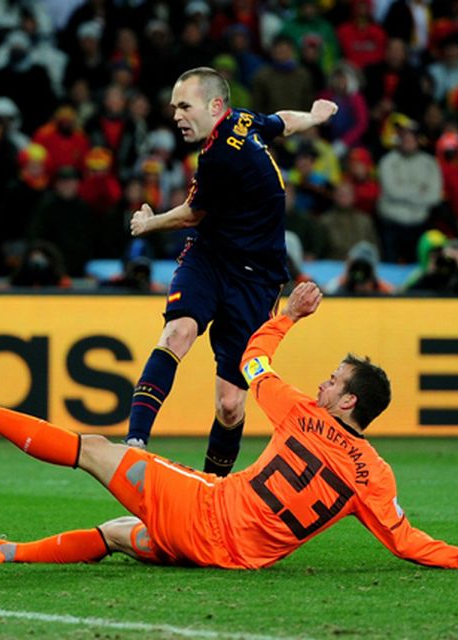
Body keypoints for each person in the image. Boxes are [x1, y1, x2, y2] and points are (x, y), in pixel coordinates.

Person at [0, 282, 458, 571]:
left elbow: (253, 359)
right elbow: (403, 540)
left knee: (93, 448)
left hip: (206, 514)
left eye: (333, 381)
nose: (322, 386)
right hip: (239, 556)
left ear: (348, 400)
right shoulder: (374, 473)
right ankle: (2, 551)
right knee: (118, 534)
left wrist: (290, 315)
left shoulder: (301, 413)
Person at [122, 66, 338, 477]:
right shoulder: (239, 122)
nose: (176, 116)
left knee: (230, 404)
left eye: (184, 106)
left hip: (255, 279)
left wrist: (147, 223)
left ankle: (212, 486)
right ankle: (134, 444)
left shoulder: (220, 154)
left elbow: (191, 214)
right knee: (178, 332)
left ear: (214, 106)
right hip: (209, 258)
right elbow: (280, 122)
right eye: (174, 107)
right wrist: (311, 117)